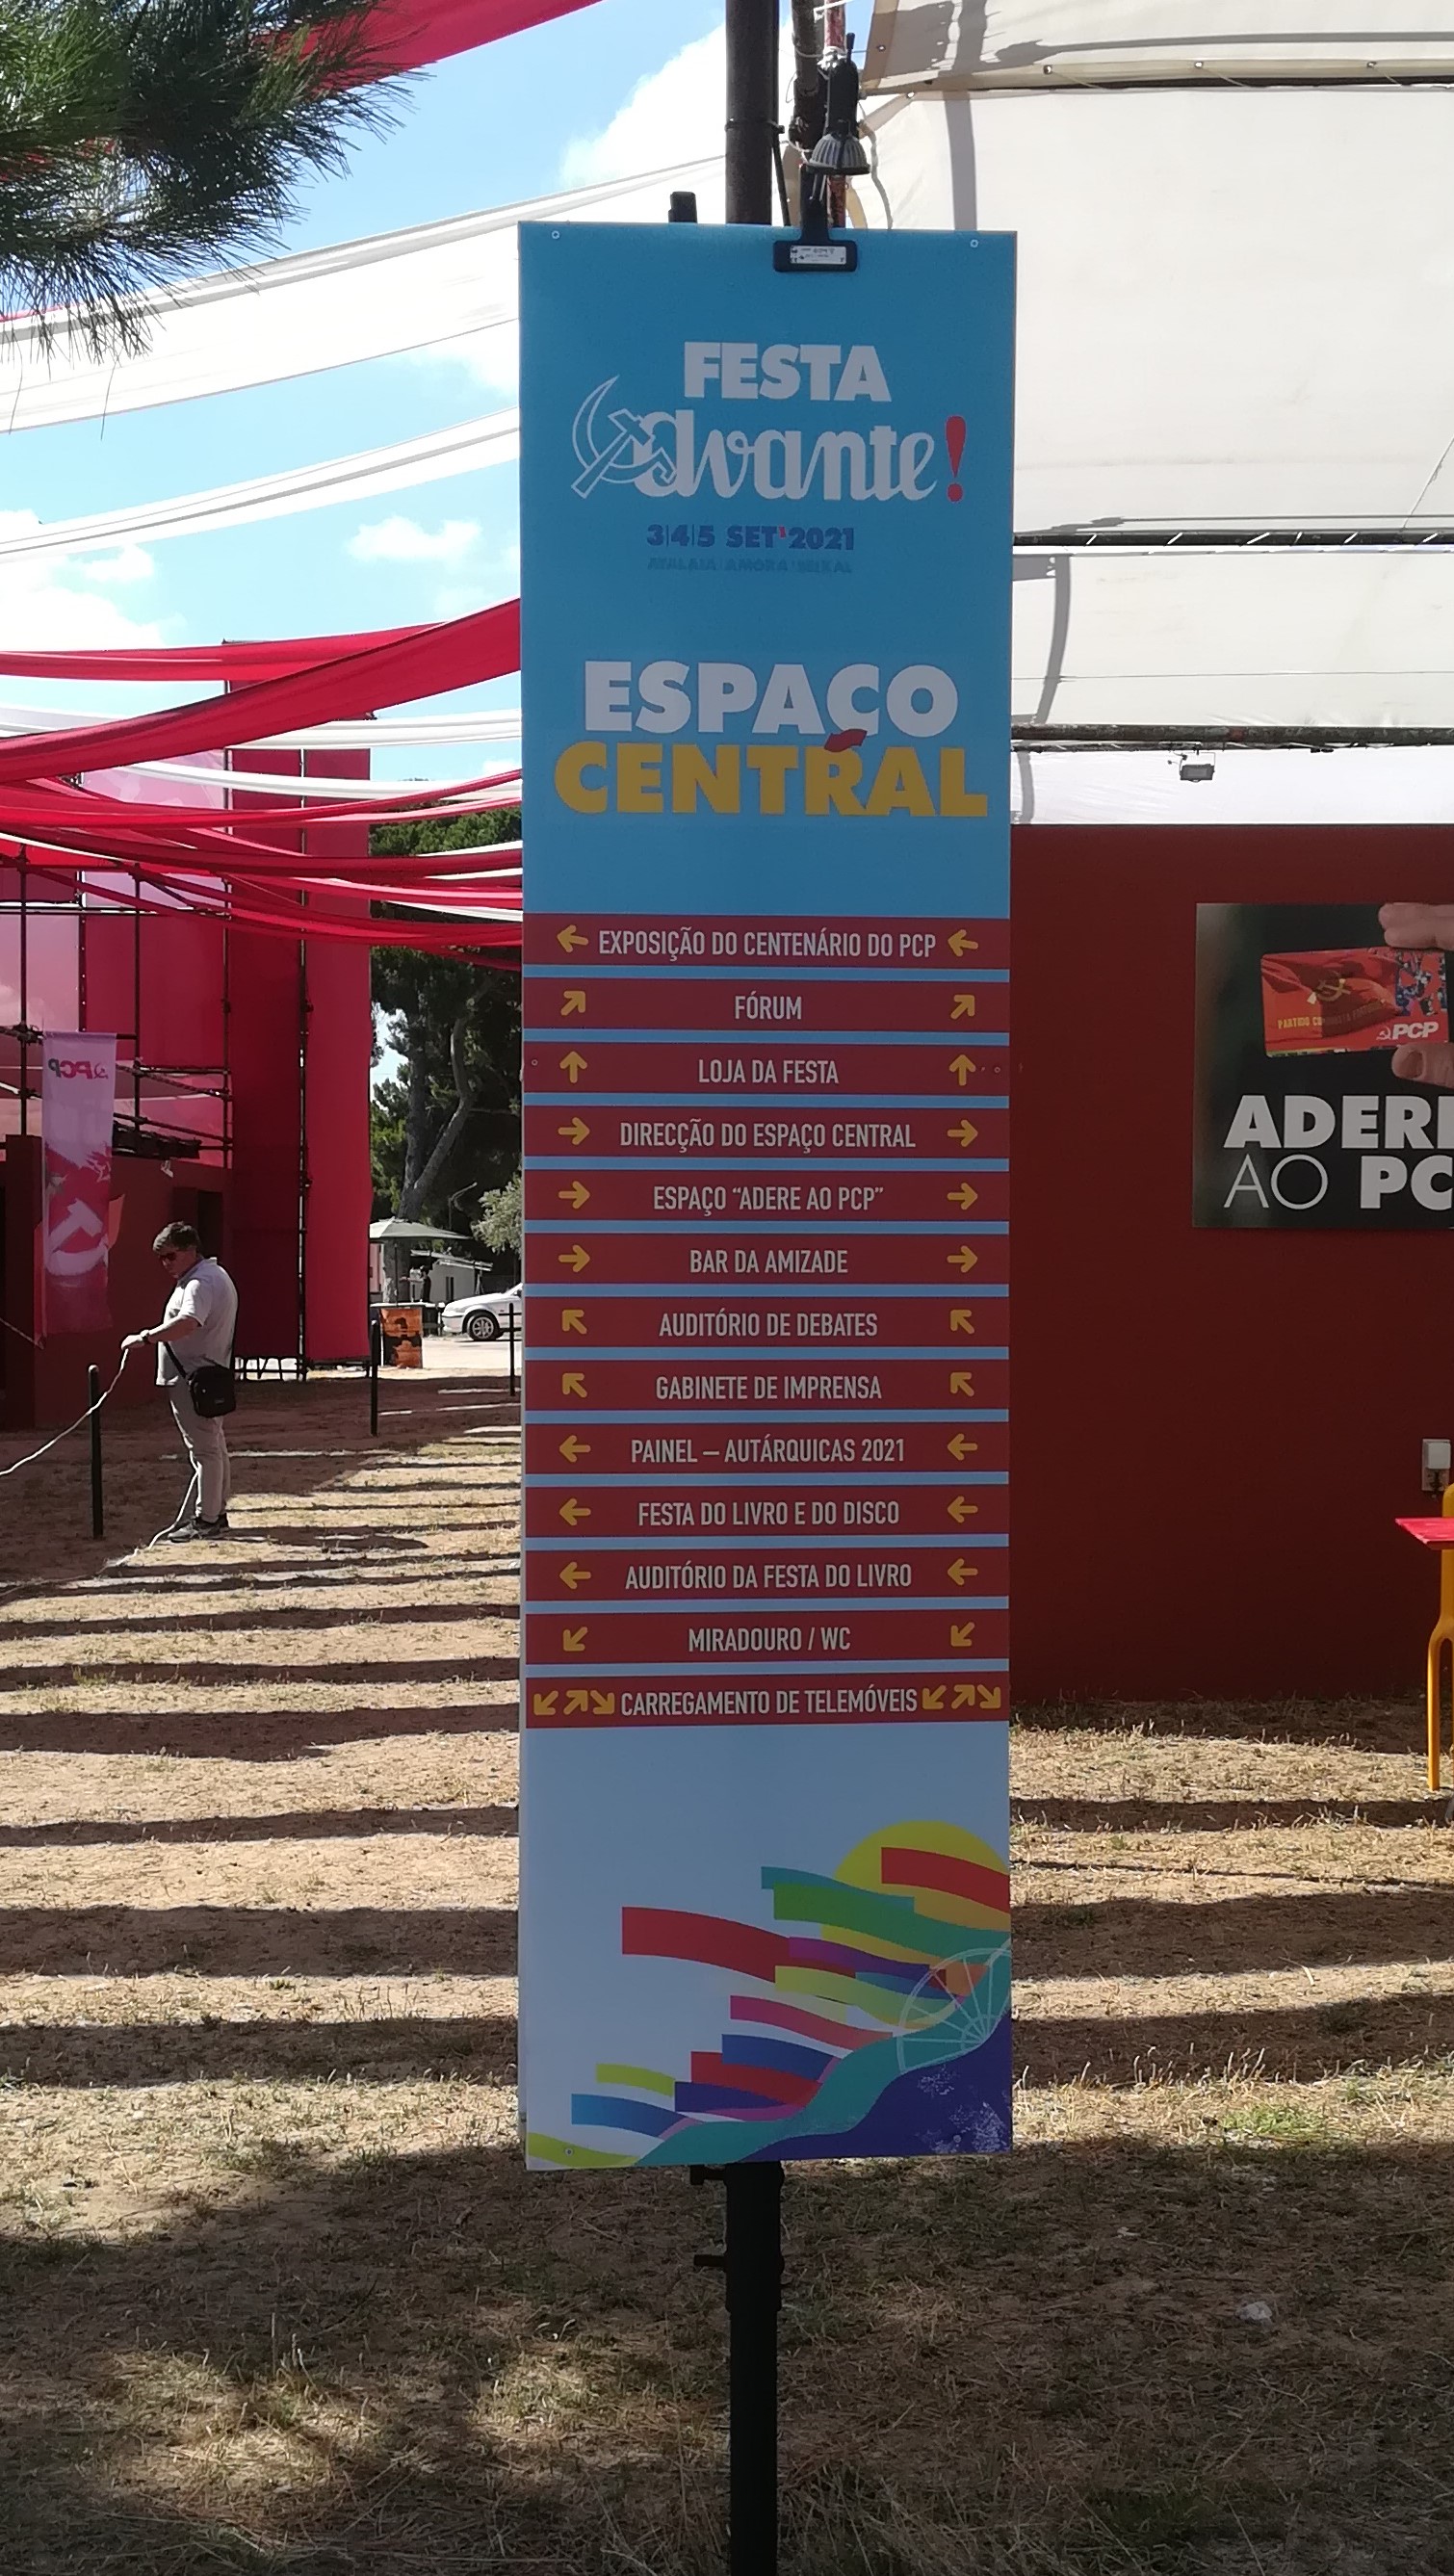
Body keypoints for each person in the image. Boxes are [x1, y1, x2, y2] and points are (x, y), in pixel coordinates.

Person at [123, 1222, 239, 1543]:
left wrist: (146, 1338)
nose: (166, 1264)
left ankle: (207, 1519)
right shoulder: (210, 1276)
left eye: (171, 1256)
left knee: (205, 1451)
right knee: (213, 1446)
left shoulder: (201, 1282)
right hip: (203, 1375)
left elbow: (188, 1322)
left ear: (190, 1250)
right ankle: (215, 1513)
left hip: (195, 1378)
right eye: (161, 1258)